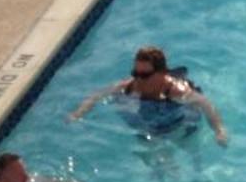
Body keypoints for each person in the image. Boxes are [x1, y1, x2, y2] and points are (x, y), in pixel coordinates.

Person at [69, 46, 228, 145]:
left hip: (177, 112)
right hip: (153, 114)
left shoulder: (177, 91)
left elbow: (206, 104)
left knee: (187, 140)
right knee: (148, 141)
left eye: (144, 75)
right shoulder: (130, 86)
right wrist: (78, 114)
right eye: (135, 72)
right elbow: (96, 96)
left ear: (161, 74)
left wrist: (219, 130)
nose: (138, 78)